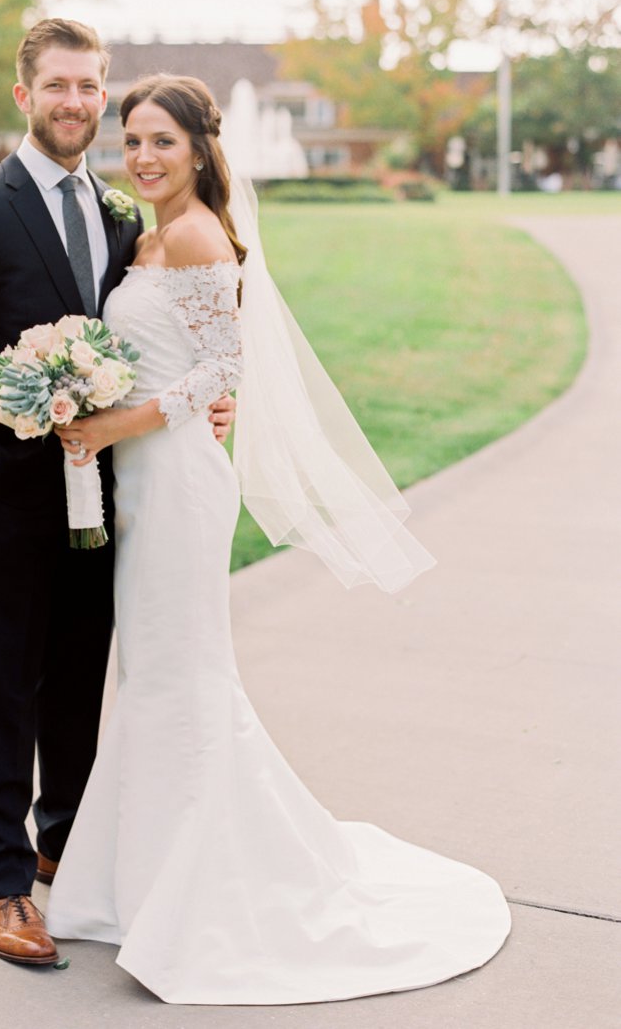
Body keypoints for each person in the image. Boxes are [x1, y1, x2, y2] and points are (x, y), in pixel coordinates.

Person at [45, 74, 512, 1004]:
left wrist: (110, 428)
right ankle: (136, 879)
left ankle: (203, 891)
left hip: (175, 484)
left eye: (161, 143)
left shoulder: (196, 233)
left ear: (200, 150)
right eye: (130, 140)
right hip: (141, 482)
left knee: (181, 670)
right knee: (149, 672)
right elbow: (167, 358)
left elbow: (225, 365)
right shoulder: (144, 237)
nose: (141, 157)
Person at [0, 22, 234, 967]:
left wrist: (197, 409)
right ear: (24, 96)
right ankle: (3, 883)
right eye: (58, 85)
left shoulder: (126, 216)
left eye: (91, 86)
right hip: (9, 494)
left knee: (79, 681)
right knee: (5, 686)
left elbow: (164, 341)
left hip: (110, 495)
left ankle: (66, 841)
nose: (76, 103)